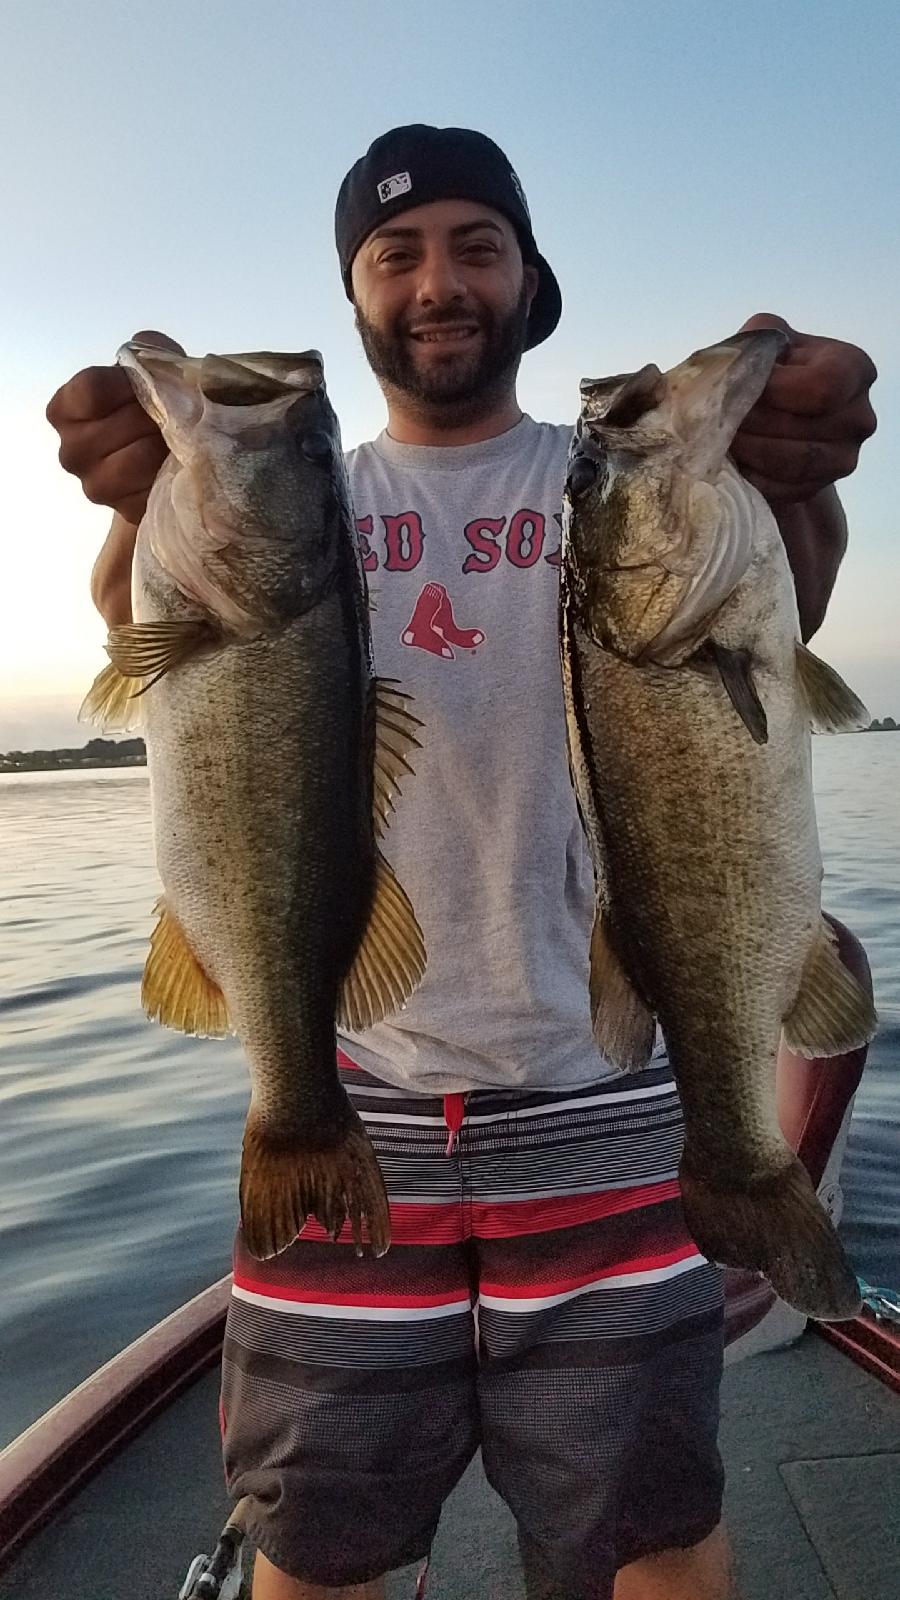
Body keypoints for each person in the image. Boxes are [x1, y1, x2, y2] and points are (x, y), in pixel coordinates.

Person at [47, 125, 877, 1600]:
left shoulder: (606, 480)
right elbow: (150, 620)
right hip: (358, 1086)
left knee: (655, 1532)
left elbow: (781, 587)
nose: (439, 282)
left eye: (477, 245)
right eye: (396, 255)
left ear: (530, 277)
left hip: (615, 1086)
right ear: (357, 296)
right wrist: (129, 503)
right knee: (325, 1542)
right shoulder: (313, 492)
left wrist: (802, 460)